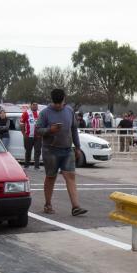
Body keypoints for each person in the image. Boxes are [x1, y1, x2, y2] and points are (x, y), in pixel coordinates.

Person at [36, 88, 87, 216]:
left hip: (67, 150)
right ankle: (48, 204)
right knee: (51, 177)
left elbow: (74, 129)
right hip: (50, 150)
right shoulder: (45, 113)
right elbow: (38, 130)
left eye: (60, 103)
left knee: (70, 176)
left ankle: (75, 207)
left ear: (64, 99)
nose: (58, 106)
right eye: (56, 103)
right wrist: (50, 130)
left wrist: (78, 147)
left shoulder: (69, 110)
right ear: (52, 101)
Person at [20, 101, 42, 169]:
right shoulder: (26, 113)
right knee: (28, 151)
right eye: (33, 105)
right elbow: (21, 124)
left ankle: (37, 166)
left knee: (37, 151)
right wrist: (24, 134)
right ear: (31, 105)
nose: (35, 106)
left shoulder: (40, 113)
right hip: (28, 136)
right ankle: (26, 165)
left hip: (38, 136)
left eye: (36, 105)